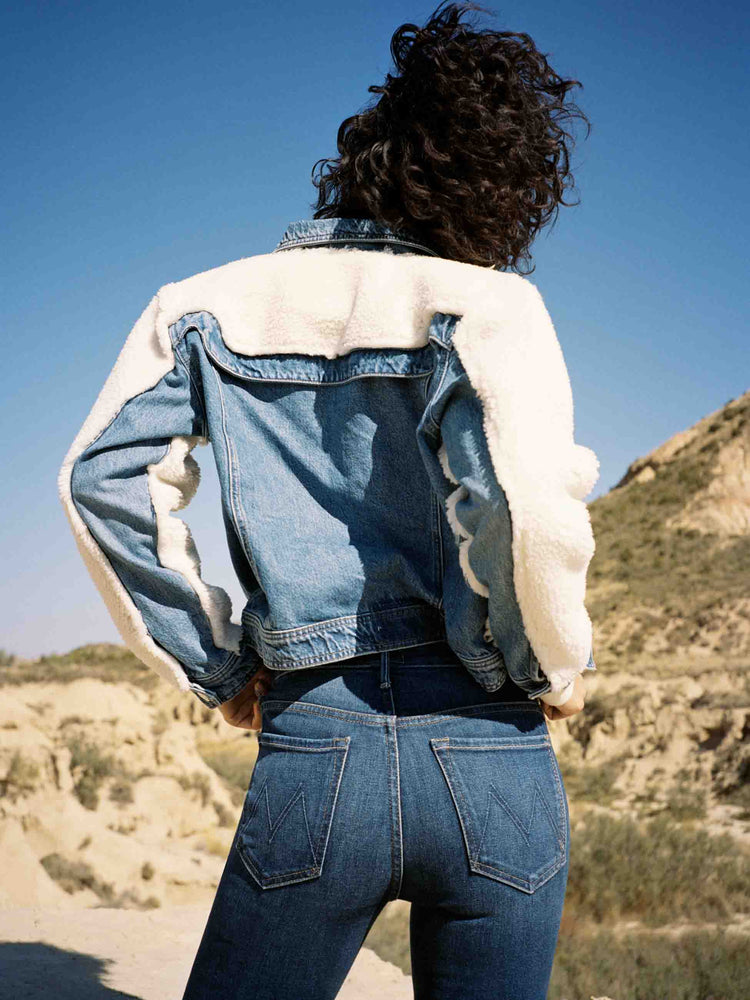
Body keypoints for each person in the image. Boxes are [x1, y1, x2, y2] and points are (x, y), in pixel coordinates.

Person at [57, 3, 598, 997]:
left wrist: (219, 665)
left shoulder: (200, 306)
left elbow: (100, 481)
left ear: (366, 159)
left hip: (318, 744)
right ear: (497, 190)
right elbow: (526, 510)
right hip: (493, 753)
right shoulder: (492, 305)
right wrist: (543, 662)